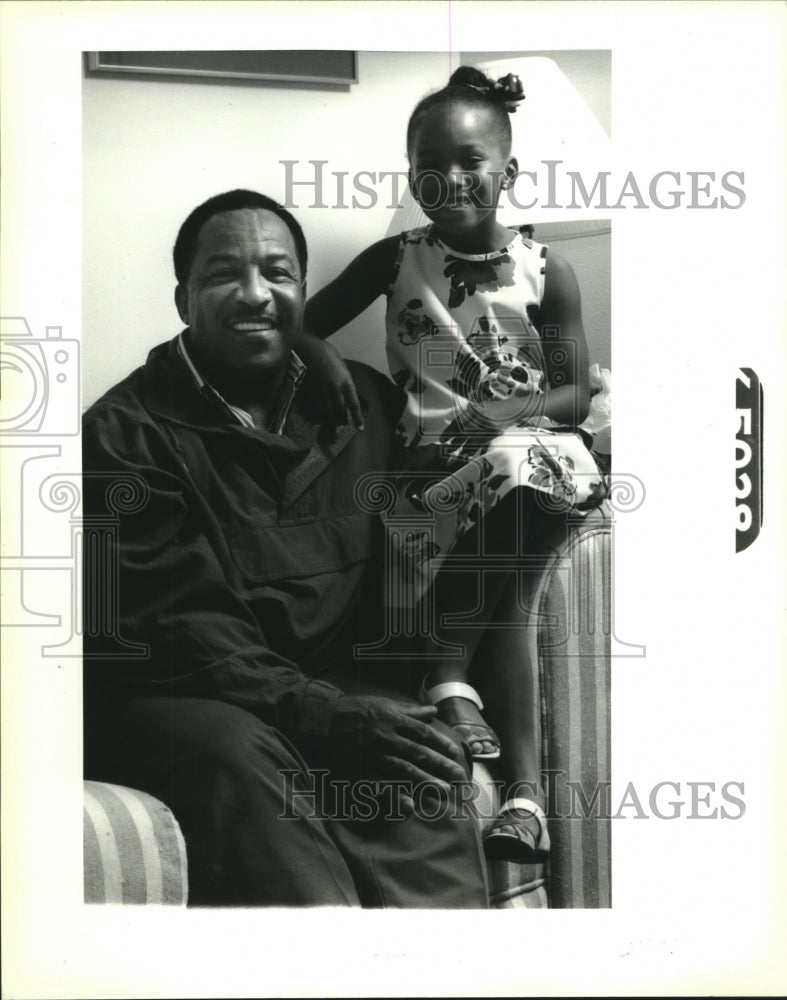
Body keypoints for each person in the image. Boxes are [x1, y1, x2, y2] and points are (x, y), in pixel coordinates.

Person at [81, 188, 490, 908]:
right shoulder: (124, 434)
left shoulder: (360, 402)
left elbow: (429, 529)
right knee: (236, 757)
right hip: (187, 697)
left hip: (323, 683)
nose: (254, 294)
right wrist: (315, 712)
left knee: (414, 766)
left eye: (277, 273)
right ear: (183, 299)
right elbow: (180, 627)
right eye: (222, 275)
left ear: (303, 291)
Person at [293, 67, 607, 861]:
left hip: (530, 454)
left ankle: (443, 675)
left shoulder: (547, 269)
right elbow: (300, 326)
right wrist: (322, 360)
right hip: (432, 474)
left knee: (508, 460)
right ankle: (527, 802)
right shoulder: (393, 260)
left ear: (508, 172)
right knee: (507, 597)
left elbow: (571, 393)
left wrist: (499, 414)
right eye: (427, 162)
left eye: (470, 159)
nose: (449, 177)